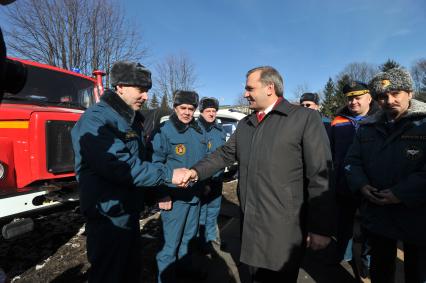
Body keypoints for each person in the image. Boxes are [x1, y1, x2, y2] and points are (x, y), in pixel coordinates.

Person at [187, 66, 335, 282]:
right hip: (250, 224)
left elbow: (321, 174)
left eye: (249, 88)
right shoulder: (246, 124)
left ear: (269, 87)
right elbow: (224, 155)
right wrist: (194, 171)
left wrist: (321, 227)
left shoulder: (303, 118)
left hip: (284, 229)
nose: (245, 94)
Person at [71, 61, 188, 283]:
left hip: (129, 211)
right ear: (120, 86)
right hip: (109, 216)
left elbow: (141, 160)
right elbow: (121, 166)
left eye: (147, 91)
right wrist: (169, 174)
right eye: (141, 90)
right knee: (109, 274)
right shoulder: (96, 119)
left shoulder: (131, 120)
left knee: (129, 270)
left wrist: (157, 191)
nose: (145, 97)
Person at [345, 68, 426, 283]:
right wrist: (361, 185)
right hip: (378, 214)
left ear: (410, 92)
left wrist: (400, 193)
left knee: (417, 273)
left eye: (395, 93)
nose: (389, 100)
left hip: (417, 215)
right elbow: (352, 162)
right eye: (382, 96)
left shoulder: (424, 124)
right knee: (381, 272)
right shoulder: (367, 127)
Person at [151, 90, 208, 283]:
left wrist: (204, 185)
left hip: (194, 196)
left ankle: (184, 274)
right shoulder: (164, 131)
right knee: (169, 245)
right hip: (174, 199)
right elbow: (155, 164)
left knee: (188, 239)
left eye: (191, 109)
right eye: (183, 108)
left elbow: (202, 162)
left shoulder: (198, 130)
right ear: (175, 108)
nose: (187, 112)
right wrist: (161, 194)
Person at [330, 81, 378, 279]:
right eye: (350, 98)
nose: (353, 101)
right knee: (343, 223)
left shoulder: (381, 118)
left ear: (369, 97)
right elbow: (330, 152)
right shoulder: (337, 121)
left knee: (370, 227)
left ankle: (367, 262)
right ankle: (344, 256)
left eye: (358, 97)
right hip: (344, 183)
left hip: (372, 184)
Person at [196, 97, 226, 255]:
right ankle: (202, 242)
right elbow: (200, 157)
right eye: (208, 111)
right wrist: (204, 180)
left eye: (214, 111)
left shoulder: (219, 129)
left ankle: (211, 237)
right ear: (201, 111)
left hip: (217, 178)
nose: (212, 113)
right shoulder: (196, 129)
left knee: (214, 209)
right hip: (204, 180)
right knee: (203, 211)